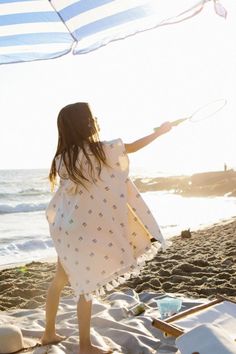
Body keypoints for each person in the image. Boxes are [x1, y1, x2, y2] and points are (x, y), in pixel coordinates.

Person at [41, 102, 172, 354]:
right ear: (85, 124)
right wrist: (159, 132)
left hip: (66, 229)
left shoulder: (61, 159)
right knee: (85, 285)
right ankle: (84, 346)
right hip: (85, 231)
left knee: (60, 280)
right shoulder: (101, 150)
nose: (96, 120)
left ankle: (48, 333)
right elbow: (132, 147)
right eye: (93, 118)